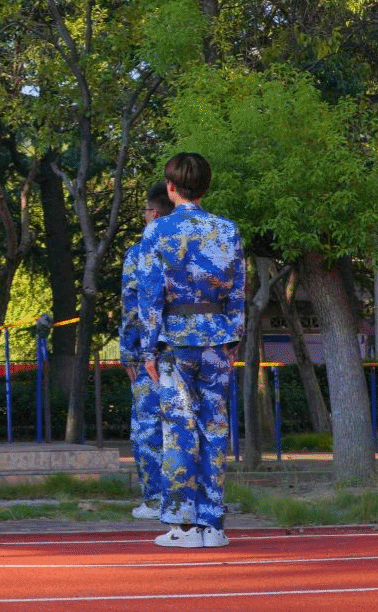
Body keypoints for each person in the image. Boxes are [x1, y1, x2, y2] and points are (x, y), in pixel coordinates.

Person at [136, 152, 244, 549]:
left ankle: (183, 528)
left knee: (178, 431)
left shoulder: (157, 231)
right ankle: (213, 526)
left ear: (170, 187)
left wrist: (148, 349)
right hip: (216, 339)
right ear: (206, 188)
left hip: (175, 341)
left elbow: (149, 295)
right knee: (214, 429)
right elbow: (238, 290)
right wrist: (233, 339)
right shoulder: (227, 230)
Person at [120, 179, 174, 521]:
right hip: (196, 348)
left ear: (153, 213)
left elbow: (132, 308)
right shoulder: (196, 245)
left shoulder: (140, 252)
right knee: (189, 426)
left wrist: (129, 352)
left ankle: (155, 500)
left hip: (151, 353)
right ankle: (192, 498)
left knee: (149, 427)